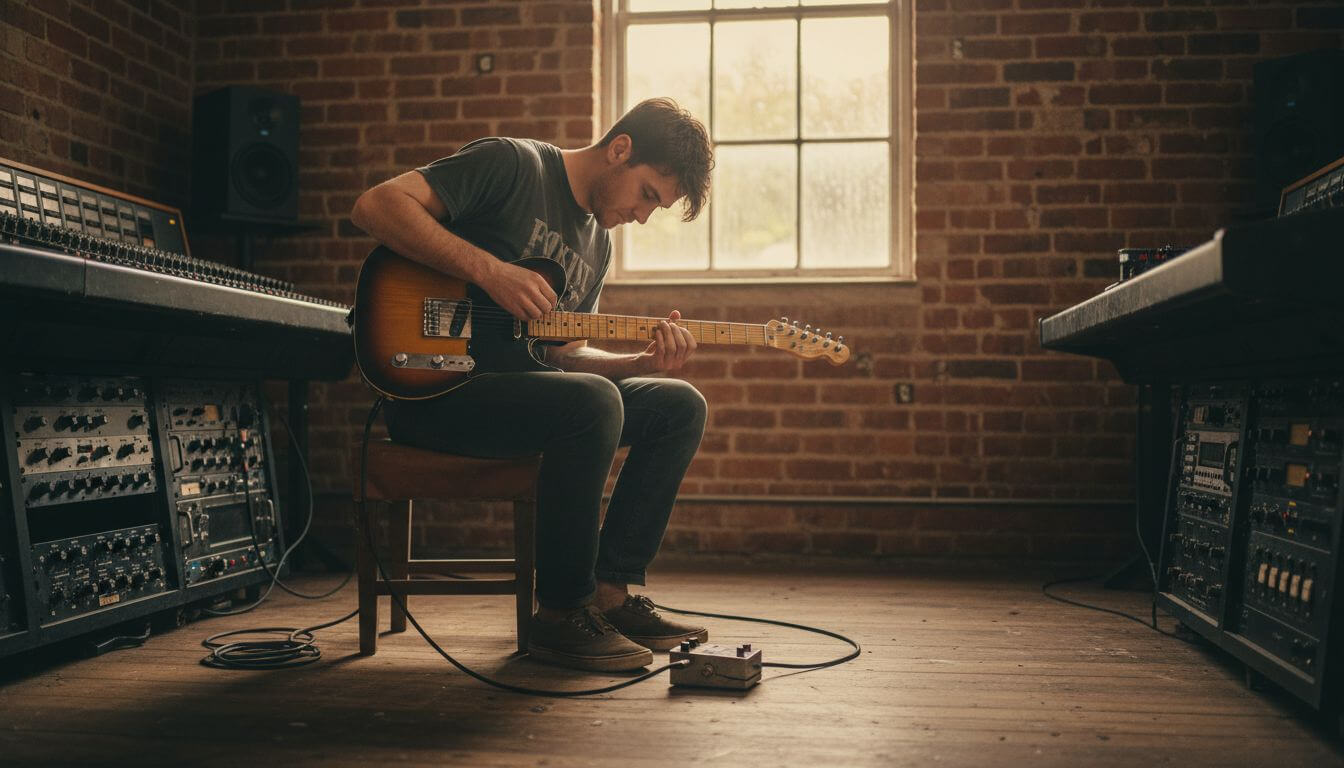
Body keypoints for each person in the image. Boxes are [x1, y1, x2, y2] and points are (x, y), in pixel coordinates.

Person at [349, 98, 715, 672]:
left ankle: (610, 596)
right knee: (591, 403)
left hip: (523, 396)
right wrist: (490, 271)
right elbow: (375, 206)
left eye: (656, 208)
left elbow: (562, 357)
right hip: (433, 391)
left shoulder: (598, 241)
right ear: (620, 150)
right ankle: (561, 615)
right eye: (647, 194)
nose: (644, 215)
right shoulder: (514, 165)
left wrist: (639, 361)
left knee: (679, 405)